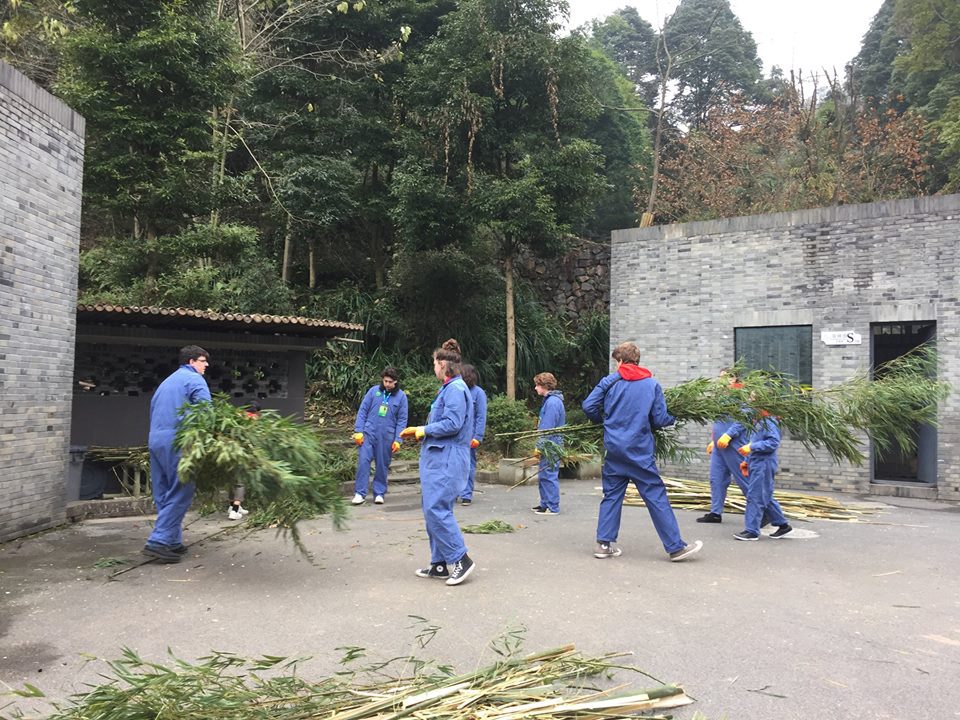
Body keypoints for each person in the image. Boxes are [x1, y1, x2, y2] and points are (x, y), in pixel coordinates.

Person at [582, 341, 702, 562]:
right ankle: (675, 547)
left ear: (620, 361)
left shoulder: (609, 382)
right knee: (655, 496)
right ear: (637, 360)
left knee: (611, 496)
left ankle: (603, 545)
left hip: (614, 451)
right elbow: (660, 418)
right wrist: (672, 418)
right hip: (639, 452)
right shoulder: (651, 384)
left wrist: (605, 421)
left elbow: (588, 406)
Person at [400, 339, 476, 586]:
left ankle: (461, 559)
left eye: (434, 363)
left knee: (436, 509)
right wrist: (420, 431)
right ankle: (440, 563)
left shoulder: (455, 389)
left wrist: (423, 429)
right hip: (440, 457)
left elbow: (453, 423)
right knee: (432, 509)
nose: (433, 368)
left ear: (442, 364)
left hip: (448, 458)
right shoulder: (449, 388)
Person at [143, 345, 212, 563]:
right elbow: (205, 412)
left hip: (156, 440)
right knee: (182, 490)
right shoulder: (194, 380)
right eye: (203, 361)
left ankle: (172, 540)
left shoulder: (166, 383)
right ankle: (158, 541)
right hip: (178, 440)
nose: (206, 365)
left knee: (164, 492)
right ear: (191, 362)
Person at [351, 367, 409, 506]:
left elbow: (402, 420)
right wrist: (358, 430)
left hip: (387, 436)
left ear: (395, 381)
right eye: (385, 381)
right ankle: (360, 493)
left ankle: (379, 493)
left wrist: (398, 440)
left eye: (390, 382)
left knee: (382, 465)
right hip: (369, 433)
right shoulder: (373, 391)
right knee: (363, 462)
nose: (387, 384)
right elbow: (363, 411)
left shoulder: (401, 397)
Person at [698, 370, 748, 523]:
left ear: (735, 379)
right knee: (717, 478)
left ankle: (763, 510)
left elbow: (745, 417)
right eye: (720, 377)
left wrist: (729, 435)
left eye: (727, 377)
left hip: (733, 443)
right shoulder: (721, 396)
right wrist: (714, 440)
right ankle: (715, 512)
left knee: (743, 479)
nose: (723, 380)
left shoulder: (741, 394)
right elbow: (720, 421)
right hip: (719, 445)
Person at [734, 411, 793, 540]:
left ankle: (752, 531)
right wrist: (746, 461)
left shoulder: (769, 422)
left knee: (755, 496)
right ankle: (783, 525)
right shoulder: (759, 422)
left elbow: (773, 443)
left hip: (763, 464)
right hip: (757, 463)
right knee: (765, 495)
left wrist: (752, 447)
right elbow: (755, 442)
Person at [532, 372, 565, 515]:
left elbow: (547, 428)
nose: (535, 388)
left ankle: (552, 506)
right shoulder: (550, 400)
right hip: (550, 443)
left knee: (549, 475)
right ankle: (544, 503)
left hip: (551, 444)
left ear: (544, 386)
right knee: (544, 474)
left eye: (537, 385)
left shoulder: (552, 403)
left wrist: (540, 446)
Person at [459, 364, 487, 506]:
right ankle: (454, 491)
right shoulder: (457, 390)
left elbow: (481, 416)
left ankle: (466, 494)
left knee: (468, 465)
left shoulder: (478, 393)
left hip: (470, 436)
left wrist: (477, 437)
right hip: (456, 434)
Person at [228, 401, 259, 520]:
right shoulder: (252, 419)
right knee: (240, 482)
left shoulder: (235, 418)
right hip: (241, 455)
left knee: (231, 481)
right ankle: (234, 511)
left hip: (229, 453)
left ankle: (232, 506)